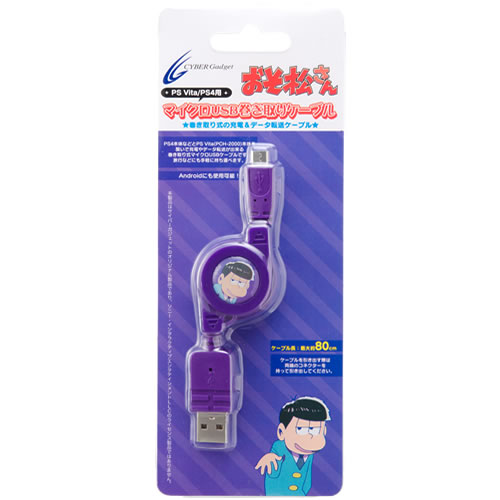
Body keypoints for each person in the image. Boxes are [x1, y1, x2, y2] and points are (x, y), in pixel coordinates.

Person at [255, 397, 330, 496]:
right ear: (281, 432)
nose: (310, 437)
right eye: (300, 429)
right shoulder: (279, 448)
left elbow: (307, 478)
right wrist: (269, 458)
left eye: (315, 430)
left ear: (324, 431)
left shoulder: (310, 453)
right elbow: (273, 469)